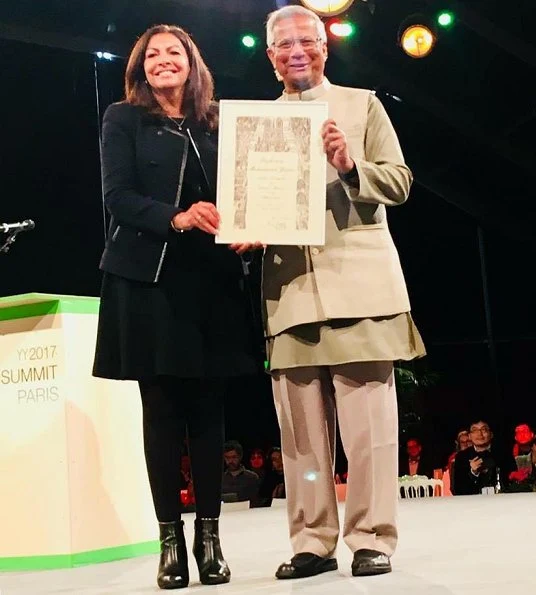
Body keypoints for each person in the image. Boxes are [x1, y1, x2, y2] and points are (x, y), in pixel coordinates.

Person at [233, 5, 425, 580]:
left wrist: (349, 163)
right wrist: (246, 231)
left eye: (306, 41)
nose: (296, 51)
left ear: (324, 46)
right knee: (300, 437)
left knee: (370, 432)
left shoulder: (362, 104)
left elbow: (399, 182)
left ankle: (371, 537)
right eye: (283, 44)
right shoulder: (255, 123)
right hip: (289, 291)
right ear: (270, 57)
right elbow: (249, 203)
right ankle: (312, 541)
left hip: (361, 286)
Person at [92, 24, 257, 590]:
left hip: (211, 281)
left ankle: (209, 539)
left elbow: (250, 193)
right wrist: (177, 217)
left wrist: (254, 228)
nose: (164, 61)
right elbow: (117, 198)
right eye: (153, 54)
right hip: (149, 281)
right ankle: (171, 543)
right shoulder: (122, 118)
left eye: (175, 53)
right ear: (140, 66)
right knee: (161, 414)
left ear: (193, 65)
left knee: (209, 414)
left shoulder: (222, 123)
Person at [453, 420, 516, 495]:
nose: (480, 434)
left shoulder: (504, 453)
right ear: (469, 436)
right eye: (475, 430)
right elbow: (458, 490)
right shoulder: (461, 457)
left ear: (491, 434)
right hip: (472, 503)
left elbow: (513, 483)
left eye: (483, 429)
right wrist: (473, 473)